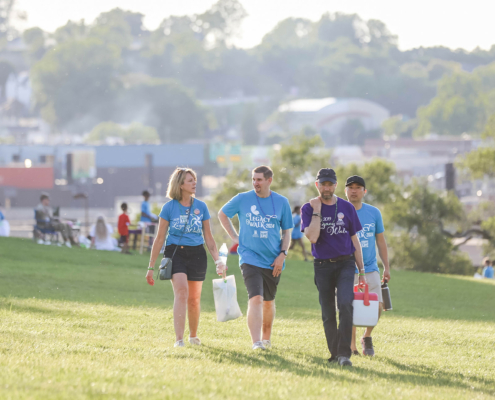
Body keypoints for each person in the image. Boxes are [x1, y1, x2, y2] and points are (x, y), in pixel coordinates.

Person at [146, 167, 226, 347]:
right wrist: (151, 267)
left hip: (197, 253)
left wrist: (218, 260)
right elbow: (159, 239)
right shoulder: (169, 207)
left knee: (194, 298)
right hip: (175, 253)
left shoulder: (201, 206)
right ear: (180, 184)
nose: (194, 183)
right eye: (190, 181)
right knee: (182, 292)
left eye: (194, 180)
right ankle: (179, 340)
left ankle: (193, 335)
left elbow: (209, 237)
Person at [218, 165, 293, 350]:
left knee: (268, 302)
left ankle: (266, 339)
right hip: (249, 257)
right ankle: (256, 342)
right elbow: (222, 214)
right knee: (256, 298)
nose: (255, 183)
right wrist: (235, 237)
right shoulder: (243, 198)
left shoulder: (282, 202)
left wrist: (282, 255)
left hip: (273, 259)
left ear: (269, 180)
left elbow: (287, 232)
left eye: (259, 179)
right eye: (253, 179)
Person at [301, 168, 365, 367]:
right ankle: (335, 353)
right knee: (328, 312)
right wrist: (318, 210)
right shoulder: (308, 208)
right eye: (323, 184)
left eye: (330, 184)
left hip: (346, 263)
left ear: (335, 185)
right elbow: (312, 237)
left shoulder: (347, 208)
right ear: (317, 185)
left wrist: (361, 271)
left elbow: (355, 240)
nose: (326, 188)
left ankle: (345, 354)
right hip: (322, 267)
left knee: (345, 304)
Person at [345, 175, 391, 357]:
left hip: (371, 268)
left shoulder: (374, 213)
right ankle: (352, 347)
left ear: (364, 191)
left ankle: (367, 336)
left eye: (358, 187)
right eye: (351, 187)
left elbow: (380, 241)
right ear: (346, 191)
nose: (354, 190)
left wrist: (386, 266)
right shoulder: (338, 211)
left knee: (378, 305)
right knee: (348, 307)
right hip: (346, 268)